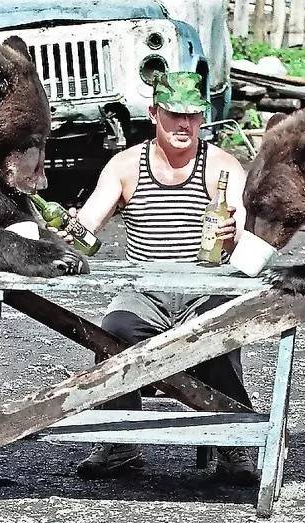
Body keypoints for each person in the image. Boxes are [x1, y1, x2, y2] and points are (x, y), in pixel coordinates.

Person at [54, 71, 259, 485]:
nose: (184, 125)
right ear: (153, 114)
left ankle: (234, 444)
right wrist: (67, 232)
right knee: (111, 330)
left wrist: (232, 237)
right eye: (174, 115)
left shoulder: (221, 166)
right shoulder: (127, 165)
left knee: (219, 333)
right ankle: (119, 442)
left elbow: (242, 235)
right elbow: (89, 227)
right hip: (144, 290)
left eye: (193, 116)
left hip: (207, 289)